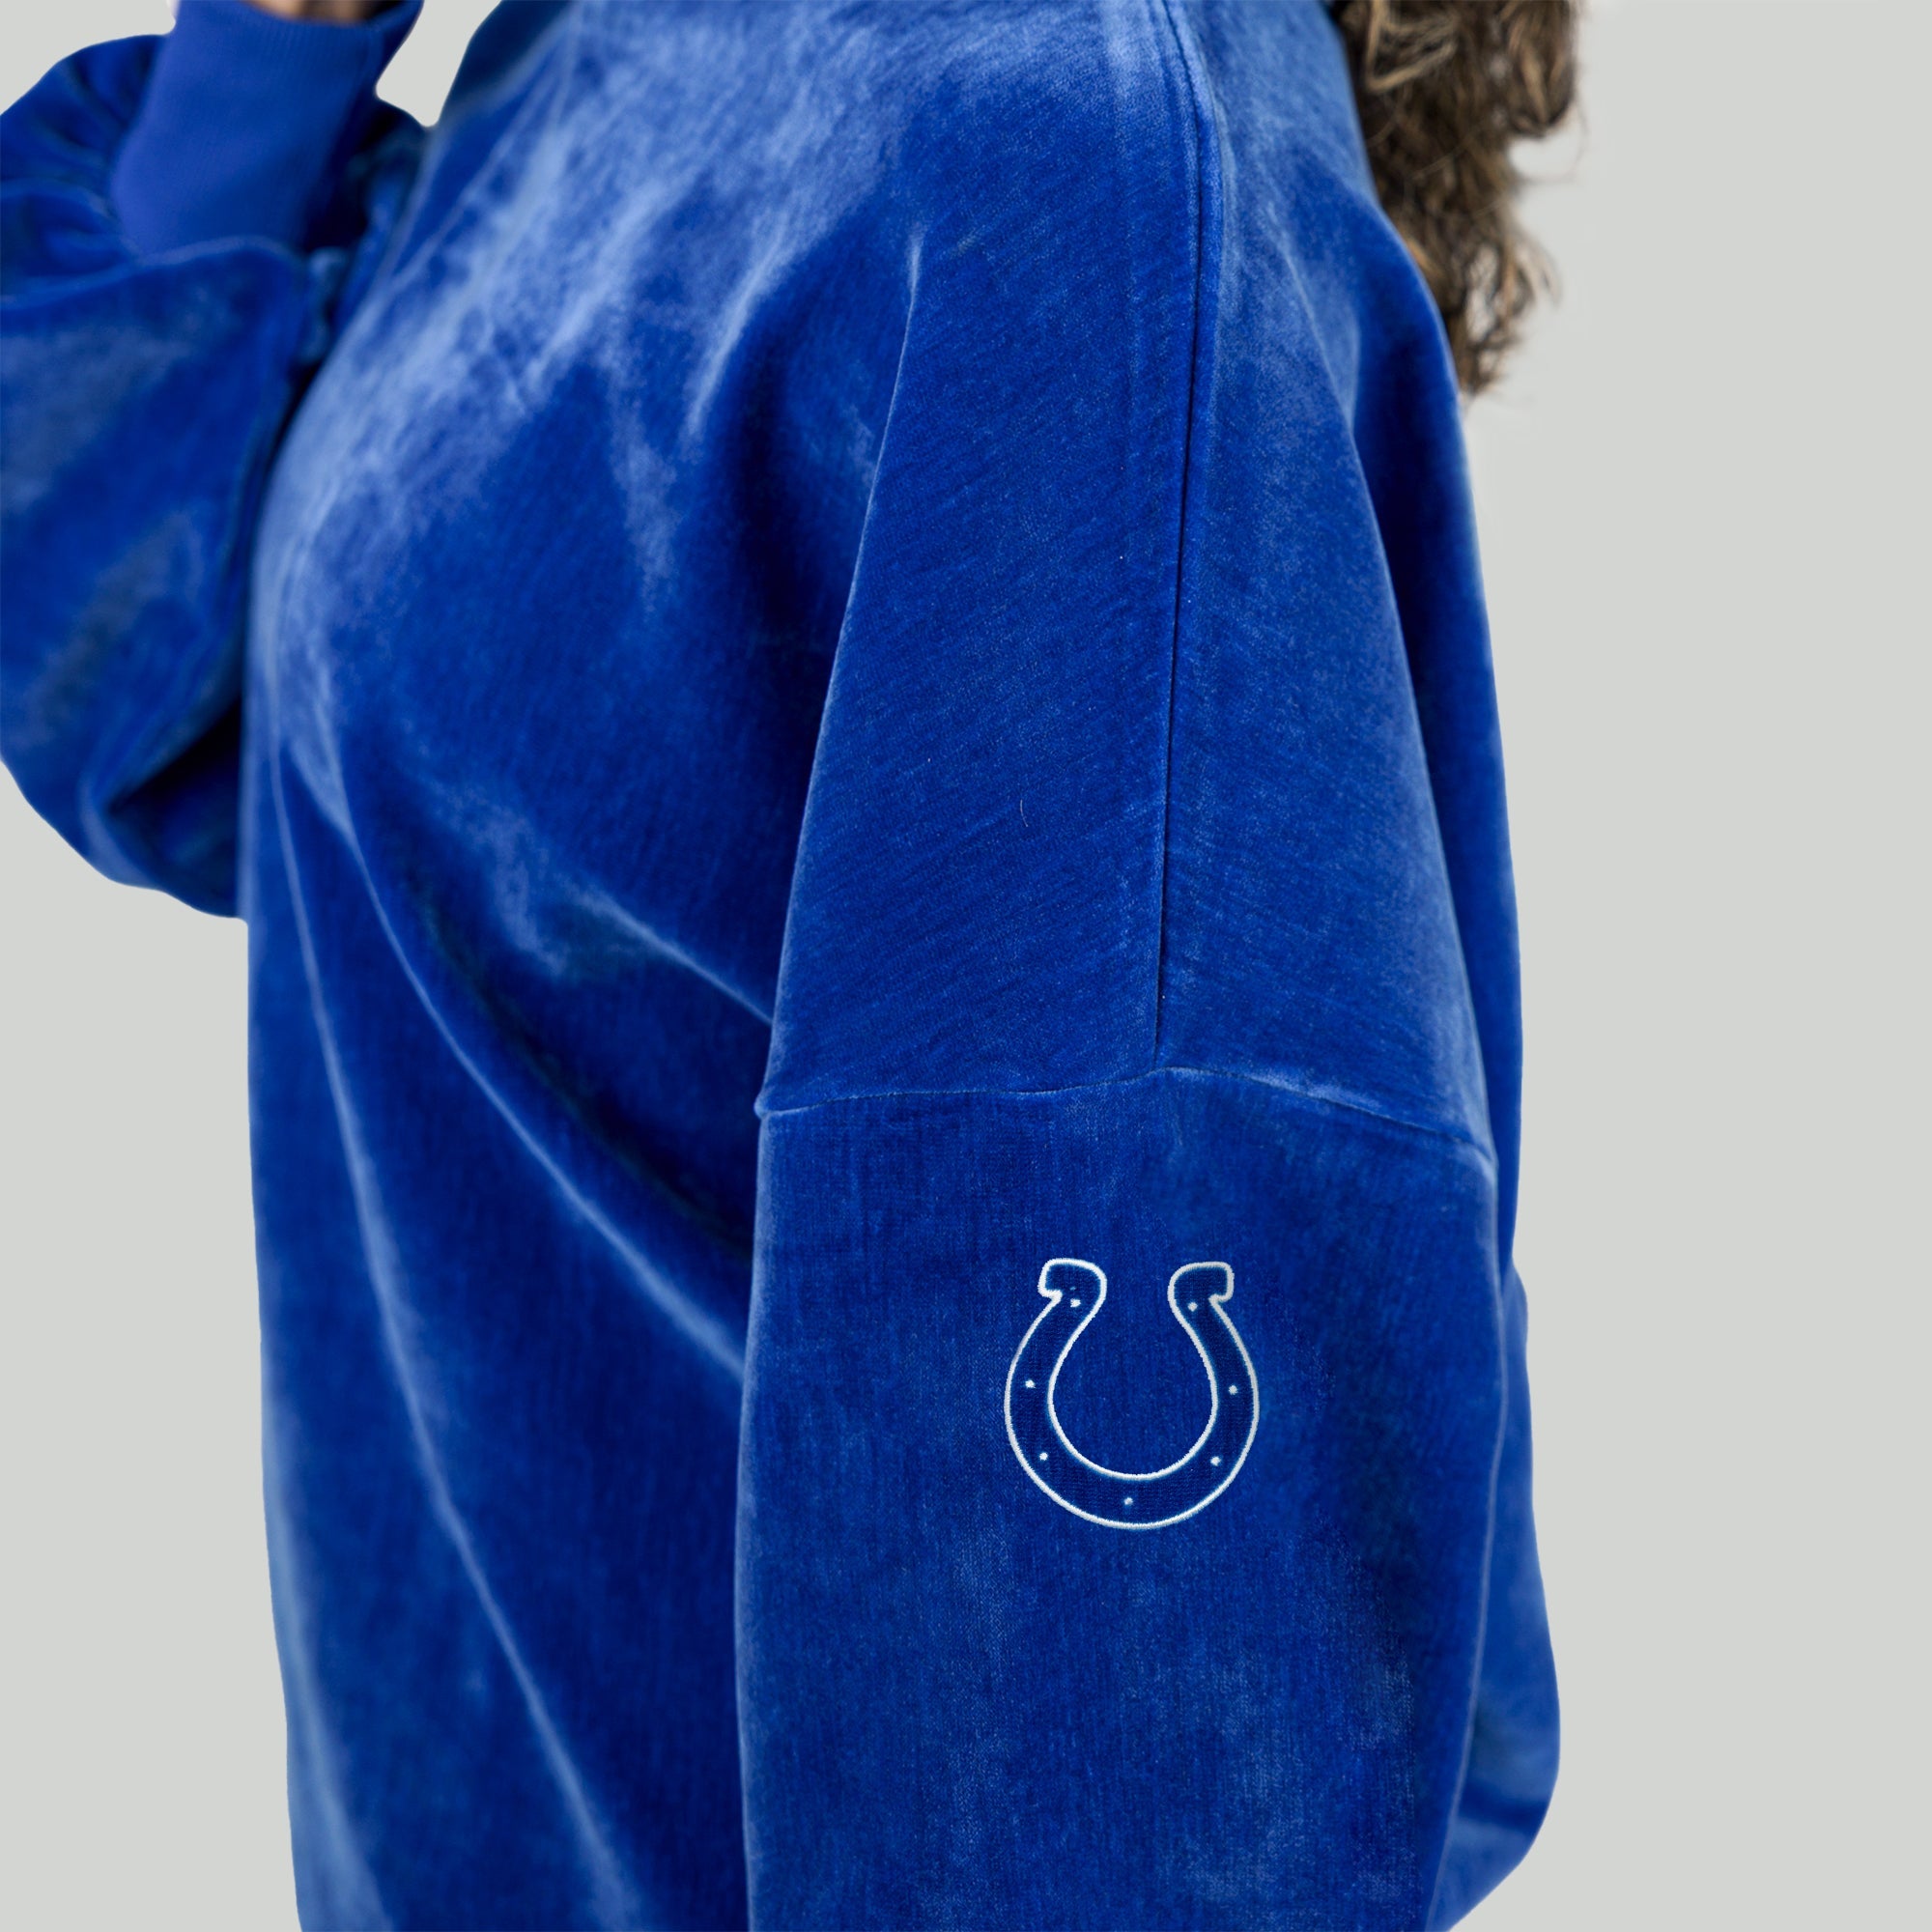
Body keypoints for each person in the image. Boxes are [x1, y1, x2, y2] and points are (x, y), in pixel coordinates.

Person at [0, 0, 1576, 1924]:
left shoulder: (1069, 178)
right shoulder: (622, 41)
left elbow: (1137, 1768)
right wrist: (268, 61)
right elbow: (167, 686)